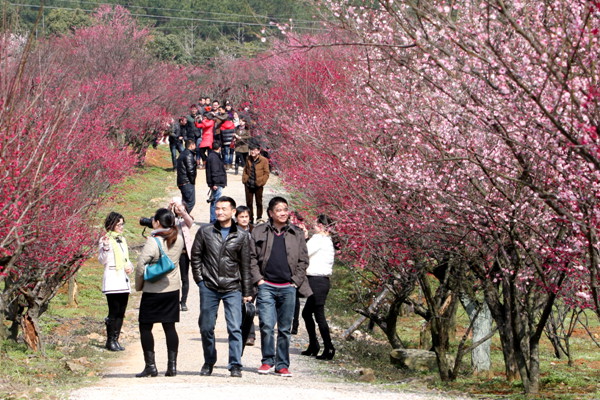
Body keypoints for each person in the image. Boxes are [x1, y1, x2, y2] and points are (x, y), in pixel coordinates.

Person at [190, 196, 252, 378]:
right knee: (206, 327)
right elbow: (196, 257)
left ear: (233, 212)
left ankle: (235, 364)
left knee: (234, 327)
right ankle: (209, 361)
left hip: (233, 287)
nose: (219, 212)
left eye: (224, 209)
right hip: (209, 286)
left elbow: (246, 266)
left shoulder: (242, 235)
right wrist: (200, 281)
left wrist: (247, 292)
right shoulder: (205, 231)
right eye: (217, 208)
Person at [250, 197, 311, 377]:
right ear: (270, 213)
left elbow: (303, 260)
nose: (283, 213)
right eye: (279, 210)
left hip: (288, 287)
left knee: (284, 328)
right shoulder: (259, 231)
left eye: (285, 209)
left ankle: (282, 364)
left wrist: (295, 281)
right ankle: (267, 361)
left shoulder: (297, 233)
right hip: (266, 285)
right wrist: (259, 280)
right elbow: (251, 258)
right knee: (267, 325)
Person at [135, 208, 184, 378]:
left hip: (153, 290)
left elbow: (141, 265)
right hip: (172, 288)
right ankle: (172, 367)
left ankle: (150, 366)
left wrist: (139, 285)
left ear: (156, 222)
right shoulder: (178, 237)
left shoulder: (154, 241)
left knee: (145, 326)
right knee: (169, 326)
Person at [301, 214, 336, 360]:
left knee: (319, 316)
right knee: (307, 313)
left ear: (321, 226)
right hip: (320, 281)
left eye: (316, 223)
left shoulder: (319, 239)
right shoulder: (326, 240)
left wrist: (304, 238)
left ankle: (328, 347)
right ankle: (314, 345)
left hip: (316, 280)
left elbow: (304, 253)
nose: (313, 225)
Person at [98, 212, 133, 352]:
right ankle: (110, 340)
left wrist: (129, 265)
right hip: (113, 278)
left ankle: (116, 339)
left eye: (122, 224)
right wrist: (106, 246)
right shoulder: (105, 239)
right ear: (111, 225)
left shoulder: (122, 239)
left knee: (121, 311)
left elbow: (125, 258)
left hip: (123, 279)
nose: (121, 227)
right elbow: (102, 260)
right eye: (118, 224)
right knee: (114, 310)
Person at [235, 205, 256, 346]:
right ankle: (243, 332)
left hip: (253, 272)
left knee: (249, 304)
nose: (244, 219)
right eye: (241, 217)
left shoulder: (254, 232)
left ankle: (250, 333)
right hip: (238, 273)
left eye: (246, 217)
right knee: (241, 305)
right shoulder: (233, 232)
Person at [171, 199, 195, 312]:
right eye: (177, 207)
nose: (178, 209)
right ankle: (173, 301)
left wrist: (183, 212)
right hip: (173, 253)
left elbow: (189, 221)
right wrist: (169, 207)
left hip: (184, 254)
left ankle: (183, 301)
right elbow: (164, 221)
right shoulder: (171, 220)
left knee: (184, 278)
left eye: (181, 207)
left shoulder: (186, 220)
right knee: (172, 278)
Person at [242, 140, 270, 224]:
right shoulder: (248, 158)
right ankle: (250, 218)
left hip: (258, 184)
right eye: (251, 150)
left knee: (259, 202)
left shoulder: (264, 160)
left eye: (254, 150)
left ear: (258, 151)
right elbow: (245, 169)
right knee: (249, 202)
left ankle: (259, 218)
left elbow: (266, 173)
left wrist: (262, 182)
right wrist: (244, 179)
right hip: (249, 183)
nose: (252, 151)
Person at [206, 141, 227, 223]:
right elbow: (215, 171)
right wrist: (215, 183)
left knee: (214, 201)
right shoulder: (214, 157)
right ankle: (213, 219)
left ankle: (213, 219)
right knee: (215, 202)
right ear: (219, 148)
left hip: (216, 182)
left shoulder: (213, 156)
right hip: (217, 183)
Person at [176, 139, 197, 213]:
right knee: (190, 202)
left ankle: (182, 218)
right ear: (191, 145)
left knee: (185, 202)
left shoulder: (182, 153)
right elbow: (190, 170)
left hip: (182, 181)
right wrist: (192, 180)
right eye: (194, 145)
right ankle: (183, 218)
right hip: (186, 181)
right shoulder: (188, 155)